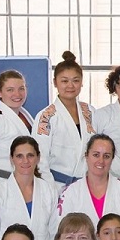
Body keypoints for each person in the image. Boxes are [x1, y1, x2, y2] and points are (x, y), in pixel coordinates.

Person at [55, 135, 120, 240]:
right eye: (96, 155)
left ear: (112, 159)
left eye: (106, 156)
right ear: (86, 156)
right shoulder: (70, 192)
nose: (101, 161)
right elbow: (60, 234)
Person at [34, 52, 95, 185]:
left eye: (76, 80)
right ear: (55, 82)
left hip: (88, 185)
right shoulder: (46, 117)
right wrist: (49, 189)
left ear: (82, 82)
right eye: (64, 81)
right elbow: (40, 159)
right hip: (57, 185)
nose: (70, 86)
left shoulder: (90, 111)